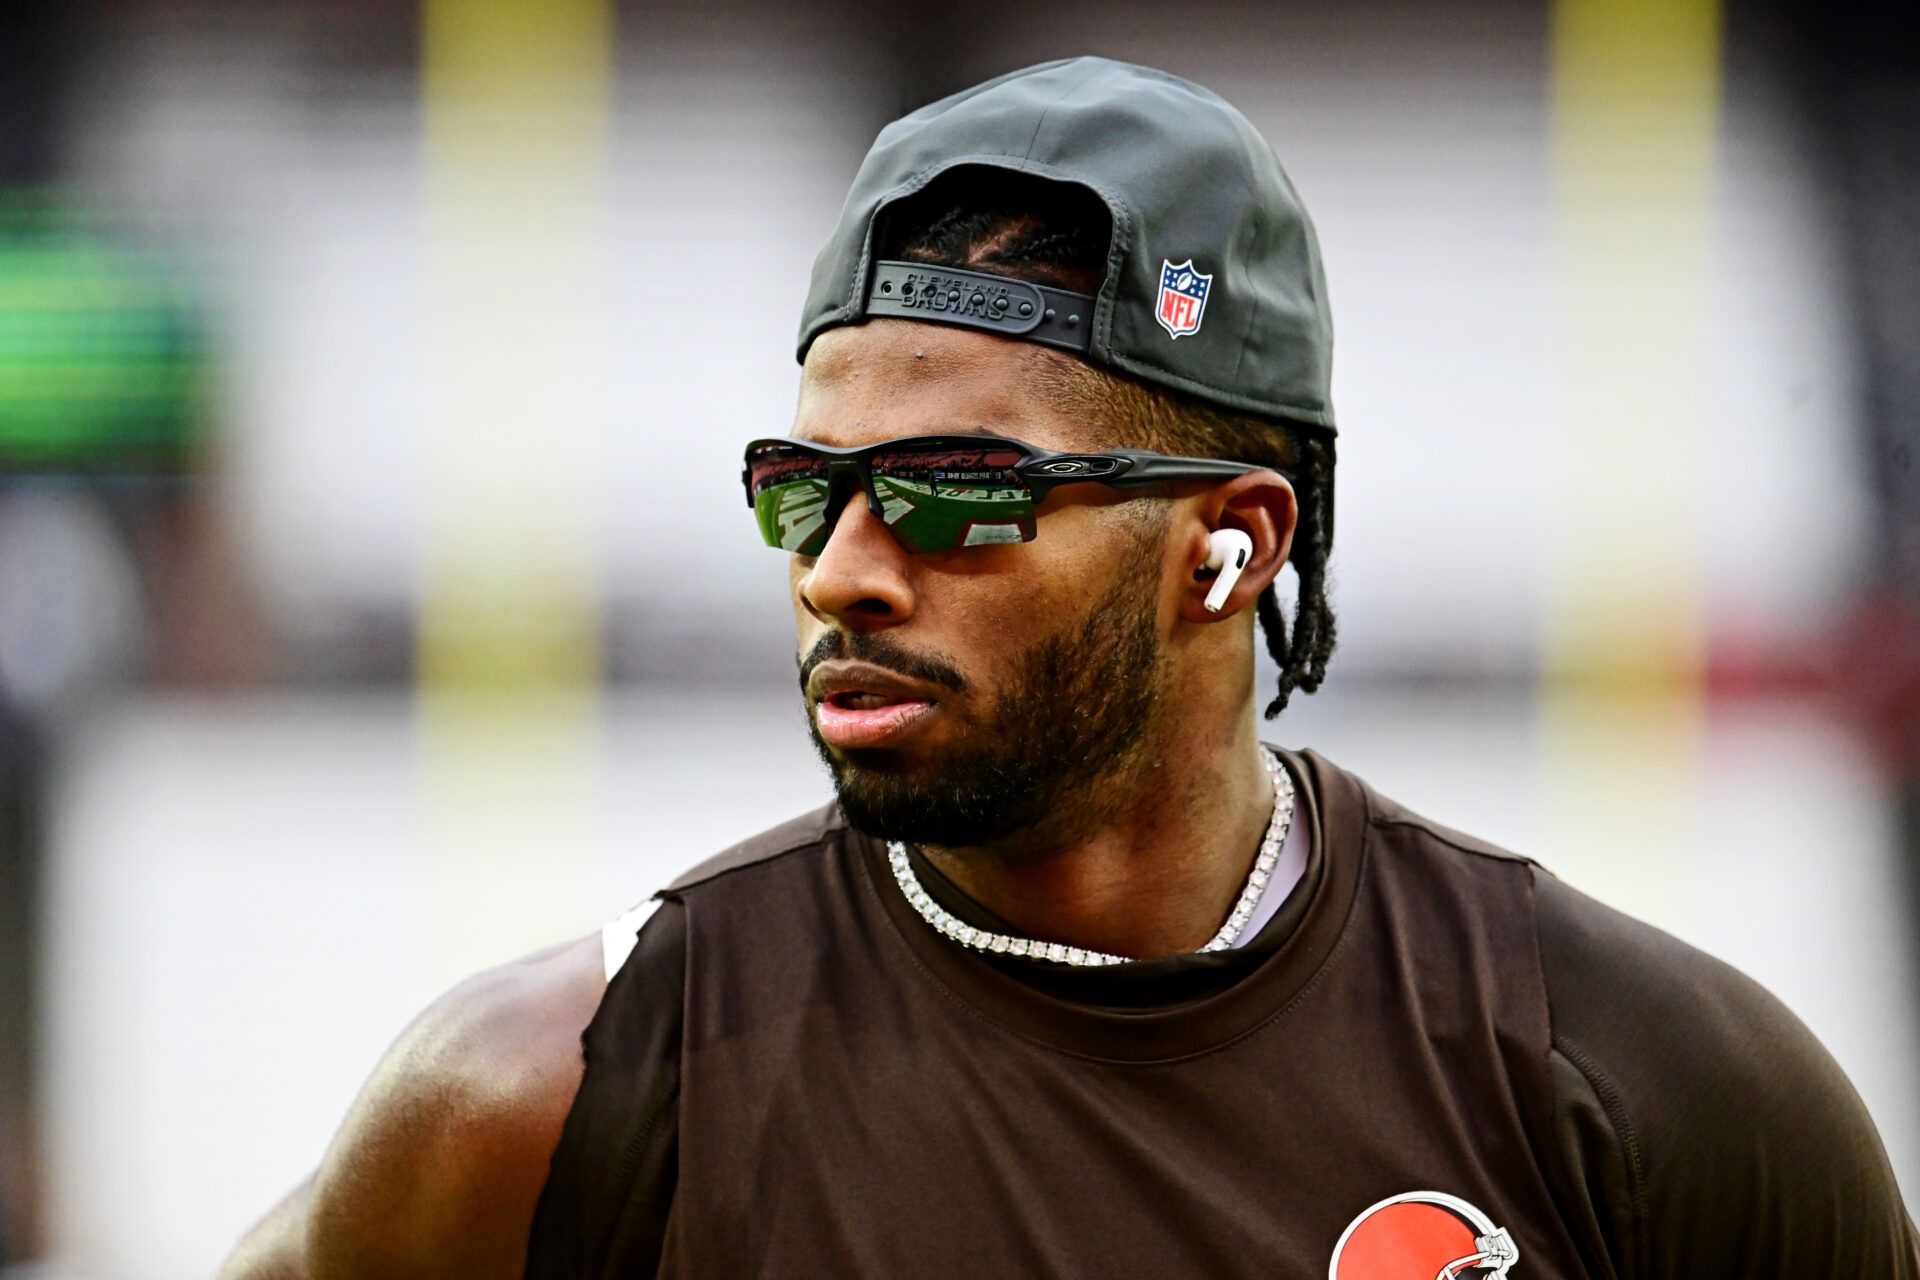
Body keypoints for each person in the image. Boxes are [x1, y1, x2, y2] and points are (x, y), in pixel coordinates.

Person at [223, 56, 1918, 1279]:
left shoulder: (1637, 1088)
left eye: (961, 493)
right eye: (803, 491)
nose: (840, 572)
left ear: (1233, 544)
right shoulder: (550, 1103)